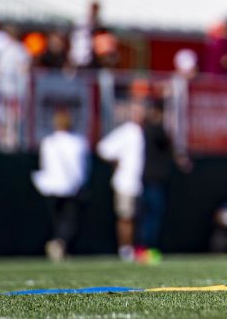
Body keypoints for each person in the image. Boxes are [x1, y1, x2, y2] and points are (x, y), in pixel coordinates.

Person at [31, 109, 90, 261]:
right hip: (70, 187)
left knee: (58, 218)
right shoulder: (78, 142)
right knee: (69, 220)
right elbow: (82, 167)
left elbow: (45, 165)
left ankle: (59, 243)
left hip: (51, 186)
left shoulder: (48, 142)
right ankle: (60, 242)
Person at [137, 102, 191, 263]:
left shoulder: (146, 130)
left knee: (148, 215)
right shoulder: (155, 130)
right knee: (153, 216)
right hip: (154, 179)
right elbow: (170, 146)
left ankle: (143, 249)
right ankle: (147, 249)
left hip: (148, 178)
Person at [97, 100, 145, 261]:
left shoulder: (142, 131)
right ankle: (125, 250)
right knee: (126, 217)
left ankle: (133, 248)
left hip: (138, 183)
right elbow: (103, 148)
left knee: (135, 218)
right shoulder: (127, 131)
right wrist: (117, 162)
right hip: (126, 182)